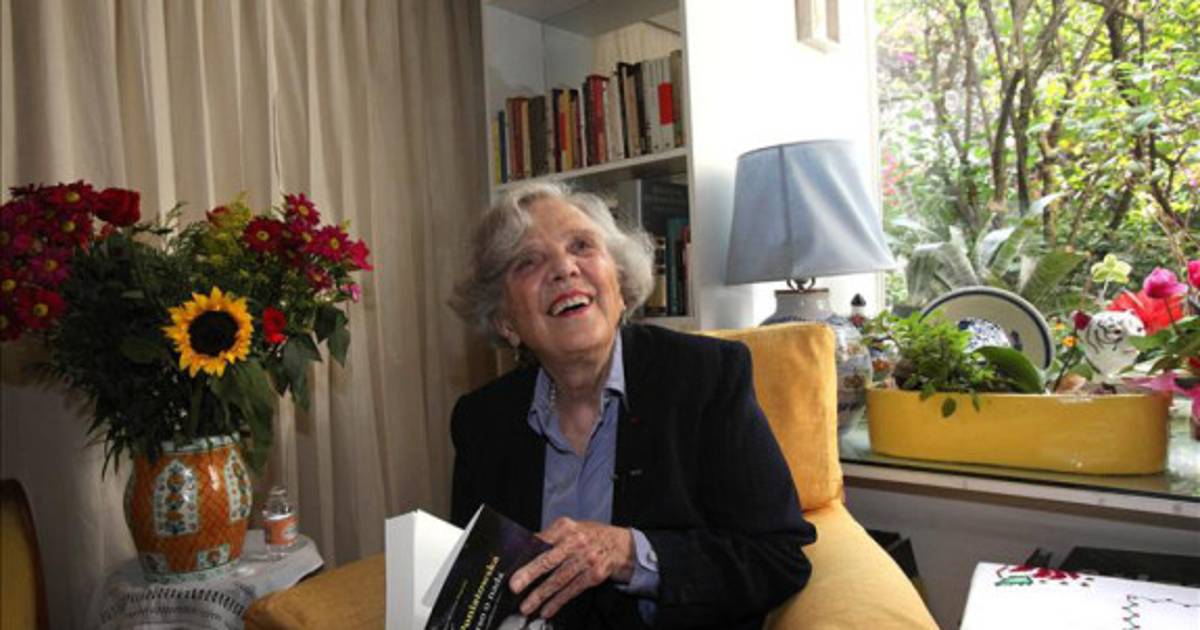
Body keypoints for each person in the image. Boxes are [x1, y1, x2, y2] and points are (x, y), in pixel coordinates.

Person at [448, 181, 816, 629]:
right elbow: (472, 590)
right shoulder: (481, 422)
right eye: (528, 261)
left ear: (620, 284)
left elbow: (778, 557)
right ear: (506, 321)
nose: (564, 268)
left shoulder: (705, 378)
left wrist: (629, 553)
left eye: (581, 246)